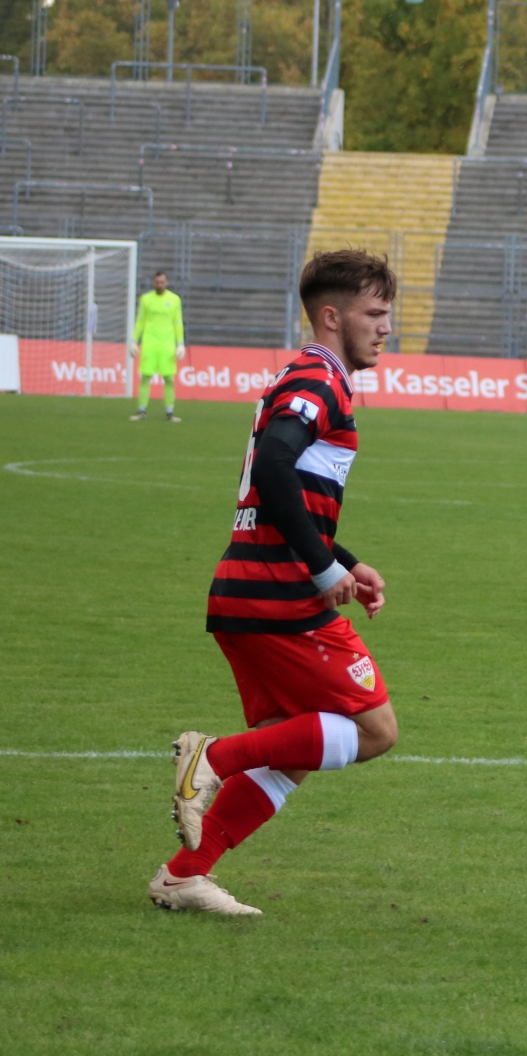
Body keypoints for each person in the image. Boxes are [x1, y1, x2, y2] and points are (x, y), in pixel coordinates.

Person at [152, 251, 399, 916]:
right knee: (374, 731)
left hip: (248, 588)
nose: (385, 328)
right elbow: (272, 466)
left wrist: (342, 559)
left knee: (292, 750)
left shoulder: (304, 376)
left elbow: (281, 489)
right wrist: (322, 567)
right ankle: (212, 757)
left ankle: (184, 875)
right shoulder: (319, 378)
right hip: (280, 595)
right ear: (332, 317)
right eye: (375, 314)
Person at [130, 270, 185, 422]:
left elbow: (178, 322)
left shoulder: (174, 300)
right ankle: (141, 411)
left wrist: (180, 344)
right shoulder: (146, 299)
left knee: (169, 379)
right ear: (153, 283)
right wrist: (134, 341)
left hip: (167, 344)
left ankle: (169, 413)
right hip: (150, 343)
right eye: (157, 282)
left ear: (166, 283)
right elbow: (140, 321)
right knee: (145, 377)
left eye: (162, 282)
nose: (159, 285)